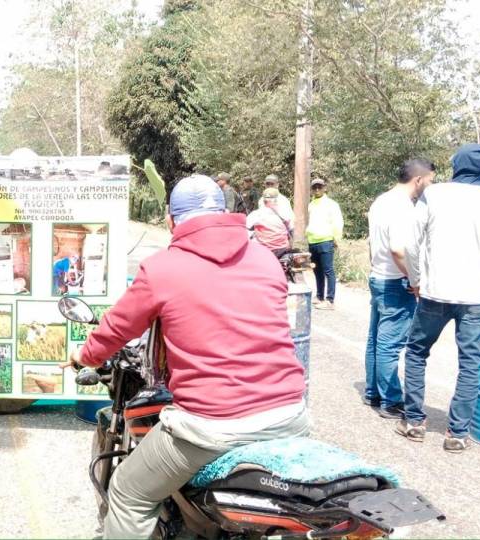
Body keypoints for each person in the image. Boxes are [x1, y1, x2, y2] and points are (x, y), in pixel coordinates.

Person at [68, 174, 308, 538]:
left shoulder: (162, 267)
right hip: (290, 415)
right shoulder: (264, 258)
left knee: (129, 493)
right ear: (225, 211)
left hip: (213, 426)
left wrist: (82, 356)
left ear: (171, 220)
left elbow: (117, 329)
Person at [398, 143, 480, 453]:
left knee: (416, 352)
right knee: (470, 363)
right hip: (476, 294)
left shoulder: (434, 193)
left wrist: (416, 279)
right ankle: (457, 433)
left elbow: (412, 243)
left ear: (456, 165)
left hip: (435, 291)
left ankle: (414, 422)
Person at [363, 159, 434, 420]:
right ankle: (391, 400)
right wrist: (414, 279)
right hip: (395, 281)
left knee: (376, 339)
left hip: (378, 276)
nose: (430, 186)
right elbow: (398, 249)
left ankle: (374, 392)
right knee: (390, 344)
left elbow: (375, 244)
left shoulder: (381, 200)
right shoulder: (403, 206)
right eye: (430, 180)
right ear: (419, 179)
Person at [307, 178, 343, 310]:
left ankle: (330, 300)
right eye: (314, 187)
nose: (317, 189)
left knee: (328, 270)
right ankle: (320, 296)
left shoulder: (331, 204)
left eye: (319, 187)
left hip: (326, 240)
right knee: (317, 270)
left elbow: (338, 221)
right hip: (313, 241)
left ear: (324, 188)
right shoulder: (311, 204)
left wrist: (336, 238)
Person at [245, 188, 292, 257]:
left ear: (263, 201)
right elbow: (291, 229)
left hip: (264, 250)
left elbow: (245, 228)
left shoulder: (257, 214)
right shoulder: (285, 213)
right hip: (283, 249)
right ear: (277, 200)